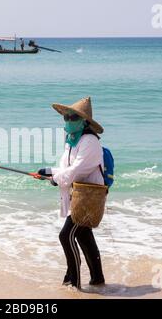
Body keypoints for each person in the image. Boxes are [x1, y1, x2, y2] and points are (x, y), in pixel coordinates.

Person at [38, 97, 105, 289]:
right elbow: (65, 169)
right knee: (83, 235)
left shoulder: (90, 141)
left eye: (73, 116)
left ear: (84, 121)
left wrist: (55, 177)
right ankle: (98, 279)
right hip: (77, 196)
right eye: (66, 117)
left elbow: (76, 171)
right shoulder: (71, 141)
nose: (68, 120)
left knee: (66, 235)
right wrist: (48, 172)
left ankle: (73, 280)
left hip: (87, 198)